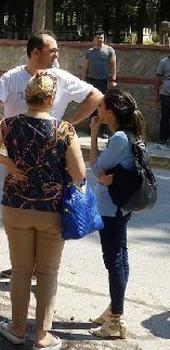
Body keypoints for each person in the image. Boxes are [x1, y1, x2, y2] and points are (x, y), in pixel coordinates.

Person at [0, 71, 86, 350]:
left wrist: (8, 164)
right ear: (51, 98)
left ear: (28, 97)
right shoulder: (65, 130)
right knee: (47, 273)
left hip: (15, 206)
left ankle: (17, 329)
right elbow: (79, 174)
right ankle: (43, 337)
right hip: (52, 210)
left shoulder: (9, 124)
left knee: (21, 271)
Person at [0, 30, 102, 279]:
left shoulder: (61, 79)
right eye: (53, 50)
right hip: (18, 160)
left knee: (51, 216)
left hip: (52, 160)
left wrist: (70, 122)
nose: (57, 54)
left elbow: (96, 96)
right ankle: (23, 265)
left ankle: (41, 269)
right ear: (35, 52)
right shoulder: (13, 77)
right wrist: (8, 130)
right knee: (14, 211)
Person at [88, 89, 146, 340]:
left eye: (101, 107)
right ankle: (114, 309)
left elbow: (95, 168)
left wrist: (92, 135)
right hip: (122, 206)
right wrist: (103, 177)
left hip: (111, 208)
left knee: (114, 260)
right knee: (120, 257)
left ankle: (115, 321)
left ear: (110, 112)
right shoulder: (131, 134)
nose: (98, 111)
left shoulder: (120, 138)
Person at [82, 31, 116, 138]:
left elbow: (113, 66)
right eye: (98, 37)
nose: (100, 39)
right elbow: (85, 67)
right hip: (91, 81)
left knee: (103, 104)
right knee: (91, 103)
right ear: (94, 39)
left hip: (103, 81)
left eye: (101, 37)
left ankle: (103, 130)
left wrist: (113, 80)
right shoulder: (90, 52)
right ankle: (92, 127)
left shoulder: (109, 50)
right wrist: (83, 80)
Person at [154, 55, 170, 150]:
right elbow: (157, 79)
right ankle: (163, 138)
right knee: (165, 117)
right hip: (166, 94)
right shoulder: (163, 62)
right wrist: (156, 94)